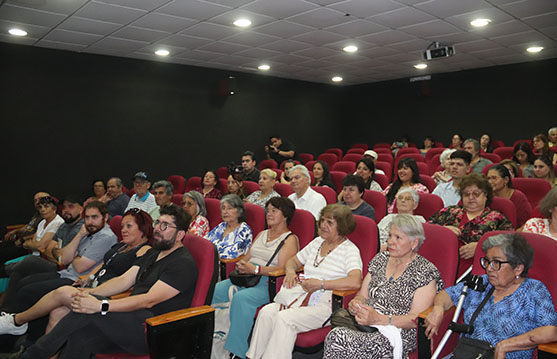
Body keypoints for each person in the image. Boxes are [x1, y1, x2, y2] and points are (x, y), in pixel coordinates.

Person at [4, 206, 197, 359]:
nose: (157, 229)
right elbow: (123, 281)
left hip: (153, 330)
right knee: (81, 336)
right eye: (158, 223)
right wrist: (88, 294)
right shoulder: (154, 252)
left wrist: (101, 305)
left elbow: (148, 300)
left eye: (165, 226)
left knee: (86, 313)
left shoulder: (183, 264)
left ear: (180, 235)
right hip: (132, 319)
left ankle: (31, 355)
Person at [0, 209, 152, 341]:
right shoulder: (122, 245)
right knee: (56, 312)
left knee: (59, 291)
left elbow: (127, 281)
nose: (123, 230)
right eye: (123, 226)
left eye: (129, 226)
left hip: (104, 295)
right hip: (92, 284)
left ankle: (16, 321)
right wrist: (88, 278)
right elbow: (104, 264)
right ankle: (39, 349)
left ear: (143, 228)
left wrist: (93, 290)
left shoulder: (144, 250)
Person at [246, 204, 363, 359]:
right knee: (266, 312)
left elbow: (355, 281)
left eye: (330, 222)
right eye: (322, 220)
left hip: (327, 304)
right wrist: (290, 271)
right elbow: (292, 261)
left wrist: (321, 284)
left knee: (284, 319)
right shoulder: (317, 242)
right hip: (300, 296)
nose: (323, 225)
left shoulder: (350, 250)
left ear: (342, 226)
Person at [323, 214, 444, 359]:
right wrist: (357, 304)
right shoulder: (380, 259)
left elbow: (415, 319)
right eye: (390, 235)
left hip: (398, 331)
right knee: (339, 338)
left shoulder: (425, 271)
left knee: (338, 337)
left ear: (414, 243)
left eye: (398, 238)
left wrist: (380, 319)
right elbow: (362, 295)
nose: (390, 242)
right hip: (367, 324)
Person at [424, 233, 557, 359]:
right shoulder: (481, 282)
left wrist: (505, 345)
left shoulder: (533, 290)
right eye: (487, 261)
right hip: (467, 354)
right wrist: (438, 308)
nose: (488, 268)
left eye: (496, 263)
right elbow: (447, 294)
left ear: (518, 268)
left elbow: (550, 331)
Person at [211, 197, 299, 358]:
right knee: (215, 290)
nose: (269, 214)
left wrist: (256, 269)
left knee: (241, 299)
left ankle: (236, 351)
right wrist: (242, 264)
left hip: (269, 283)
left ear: (285, 215)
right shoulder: (262, 234)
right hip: (247, 277)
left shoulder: (289, 239)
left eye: (274, 211)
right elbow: (247, 256)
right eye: (268, 210)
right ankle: (215, 340)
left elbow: (282, 269)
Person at [1, 202, 118, 319]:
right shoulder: (86, 232)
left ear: (105, 217)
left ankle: (17, 322)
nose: (90, 222)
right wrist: (79, 236)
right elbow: (65, 259)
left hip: (77, 281)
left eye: (95, 217)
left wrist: (74, 256)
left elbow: (80, 267)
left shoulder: (105, 237)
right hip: (65, 274)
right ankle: (9, 316)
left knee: (28, 290)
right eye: (87, 217)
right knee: (23, 281)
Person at [1, 198, 85, 310]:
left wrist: (55, 253)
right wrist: (56, 253)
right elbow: (48, 248)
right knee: (17, 273)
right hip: (50, 260)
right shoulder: (63, 225)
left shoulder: (80, 228)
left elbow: (48, 250)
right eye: (64, 207)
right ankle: (7, 311)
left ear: (81, 209)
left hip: (60, 267)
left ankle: (4, 270)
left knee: (30, 261)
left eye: (71, 206)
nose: (66, 210)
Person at [429, 173, 513, 261]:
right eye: (466, 194)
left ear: (486, 195)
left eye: (476, 194)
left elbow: (510, 244)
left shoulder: (497, 218)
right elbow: (425, 229)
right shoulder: (449, 211)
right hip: (441, 260)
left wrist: (480, 247)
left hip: (479, 266)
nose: (471, 197)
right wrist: (442, 230)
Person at [205, 194, 253, 259]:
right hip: (210, 259)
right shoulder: (222, 225)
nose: (225, 212)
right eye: (223, 208)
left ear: (239, 211)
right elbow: (205, 241)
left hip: (226, 266)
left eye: (229, 208)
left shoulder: (244, 230)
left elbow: (234, 254)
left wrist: (211, 254)